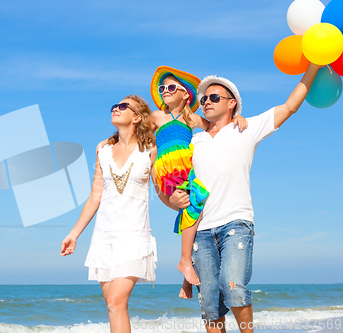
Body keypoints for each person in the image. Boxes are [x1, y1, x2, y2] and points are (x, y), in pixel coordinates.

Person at [168, 63, 322, 333]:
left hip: (235, 223)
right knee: (209, 304)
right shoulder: (195, 140)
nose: (206, 102)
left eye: (214, 97)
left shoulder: (246, 129)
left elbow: (289, 107)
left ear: (232, 104)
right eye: (203, 99)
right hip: (201, 229)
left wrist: (314, 65)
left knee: (234, 287)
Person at [61, 95, 158, 333]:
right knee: (112, 305)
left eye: (123, 106)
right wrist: (74, 234)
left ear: (137, 117)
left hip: (134, 236)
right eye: (114, 106)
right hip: (105, 237)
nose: (116, 108)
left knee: (116, 301)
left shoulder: (150, 150)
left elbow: (161, 190)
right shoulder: (103, 152)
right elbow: (95, 196)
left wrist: (180, 204)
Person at [149, 66, 248, 299]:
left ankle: (186, 275)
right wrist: (109, 140)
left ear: (186, 95)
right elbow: (135, 135)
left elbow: (216, 127)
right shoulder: (155, 116)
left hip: (187, 165)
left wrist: (238, 118)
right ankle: (184, 263)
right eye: (162, 88)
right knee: (195, 204)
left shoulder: (191, 118)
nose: (165, 91)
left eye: (171, 87)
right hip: (168, 168)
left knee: (195, 206)